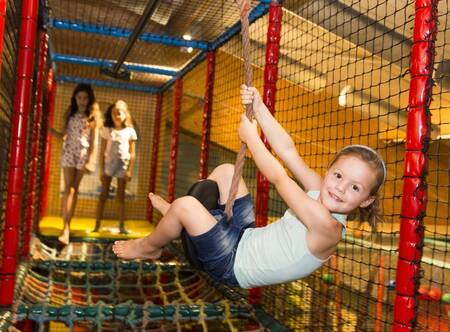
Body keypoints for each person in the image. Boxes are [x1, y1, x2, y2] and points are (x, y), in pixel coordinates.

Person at [112, 85, 386, 288]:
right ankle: (178, 221)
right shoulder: (319, 187)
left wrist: (252, 140)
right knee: (227, 171)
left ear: (366, 200)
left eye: (355, 188)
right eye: (338, 176)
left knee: (186, 205)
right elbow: (288, 151)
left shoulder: (328, 228)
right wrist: (259, 108)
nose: (340, 188)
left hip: (233, 264)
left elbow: (280, 179)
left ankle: (151, 245)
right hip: (245, 236)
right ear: (329, 172)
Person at [51, 84, 100, 246]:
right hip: (69, 152)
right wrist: (52, 132)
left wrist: (91, 160)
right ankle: (65, 227)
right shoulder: (70, 113)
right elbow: (63, 134)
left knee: (73, 189)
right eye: (79, 97)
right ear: (75, 98)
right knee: (68, 189)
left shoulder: (92, 117)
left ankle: (67, 227)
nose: (82, 101)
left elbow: (94, 142)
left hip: (82, 155)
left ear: (89, 99)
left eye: (85, 98)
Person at [93, 100, 137, 235]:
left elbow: (132, 153)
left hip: (122, 166)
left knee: (121, 196)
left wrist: (129, 170)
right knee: (103, 194)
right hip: (108, 165)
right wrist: (101, 170)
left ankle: (121, 226)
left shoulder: (130, 131)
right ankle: (97, 224)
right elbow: (102, 152)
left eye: (119, 112)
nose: (116, 115)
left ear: (126, 114)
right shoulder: (107, 130)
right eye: (114, 112)